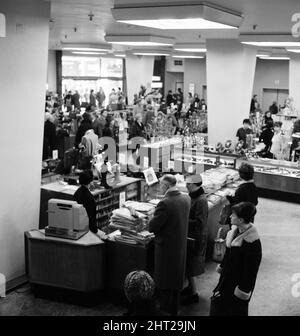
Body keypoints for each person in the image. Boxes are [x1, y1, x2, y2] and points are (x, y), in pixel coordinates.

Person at [148, 174, 191, 315]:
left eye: (160, 185)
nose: (159, 188)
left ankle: (165, 313)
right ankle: (173, 311)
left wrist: (151, 217)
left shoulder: (165, 203)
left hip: (166, 249)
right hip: (180, 247)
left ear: (165, 186)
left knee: (164, 283)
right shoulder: (186, 198)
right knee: (175, 284)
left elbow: (152, 227)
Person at [210, 202, 262, 316]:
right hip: (227, 281)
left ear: (241, 220)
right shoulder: (234, 232)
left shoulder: (252, 243)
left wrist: (242, 290)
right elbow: (228, 255)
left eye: (233, 215)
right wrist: (223, 268)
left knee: (236, 310)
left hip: (238, 286)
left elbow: (250, 272)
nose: (230, 216)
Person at [181, 174, 208, 306]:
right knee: (188, 264)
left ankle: (194, 294)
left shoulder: (201, 200)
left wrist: (183, 218)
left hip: (196, 237)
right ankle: (190, 289)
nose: (186, 186)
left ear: (197, 185)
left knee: (191, 265)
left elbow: (200, 223)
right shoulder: (194, 196)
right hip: (191, 235)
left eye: (189, 184)